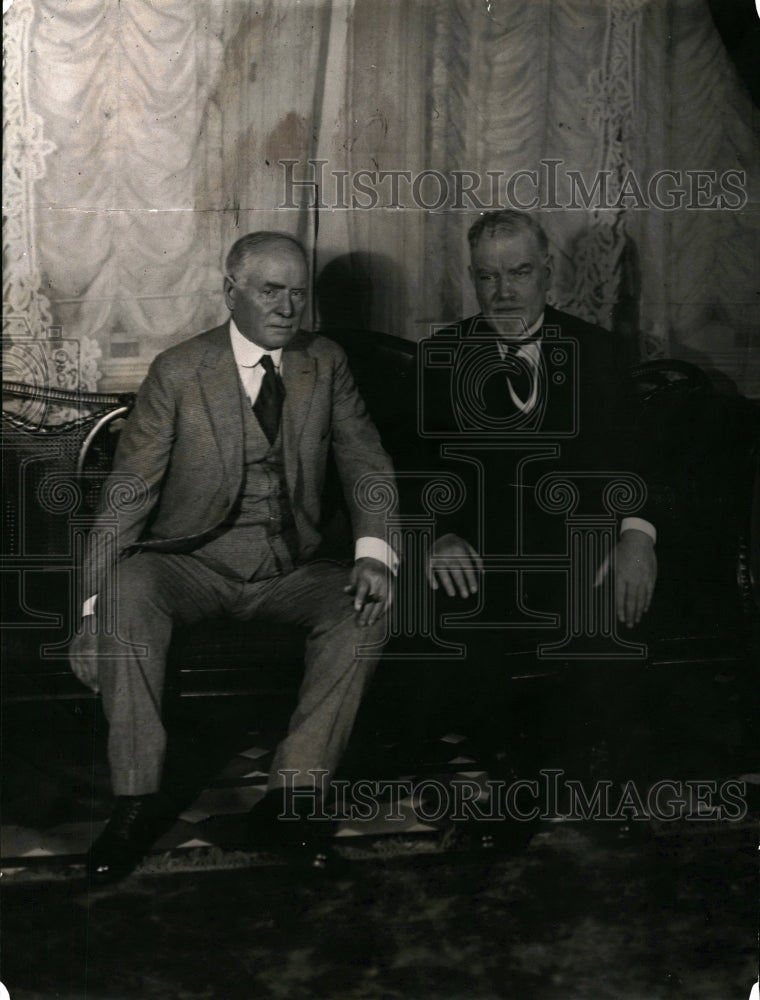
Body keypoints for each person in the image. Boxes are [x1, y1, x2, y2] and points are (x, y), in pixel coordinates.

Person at [69, 232, 397, 884]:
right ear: (231, 292)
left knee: (367, 609)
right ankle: (134, 803)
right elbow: (126, 497)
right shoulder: (180, 371)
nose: (288, 307)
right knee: (128, 590)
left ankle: (291, 801)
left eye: (298, 293)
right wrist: (89, 614)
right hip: (193, 565)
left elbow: (367, 467)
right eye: (271, 291)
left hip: (291, 569)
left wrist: (375, 556)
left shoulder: (325, 362)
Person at [421, 210, 658, 841]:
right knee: (463, 627)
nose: (503, 292)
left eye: (520, 273)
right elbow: (413, 468)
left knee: (609, 626)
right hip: (483, 561)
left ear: (548, 273)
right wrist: (438, 534)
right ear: (471, 277)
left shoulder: (599, 353)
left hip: (583, 554)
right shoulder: (442, 357)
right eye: (487, 276)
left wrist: (636, 535)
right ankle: (518, 784)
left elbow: (637, 461)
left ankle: (603, 789)